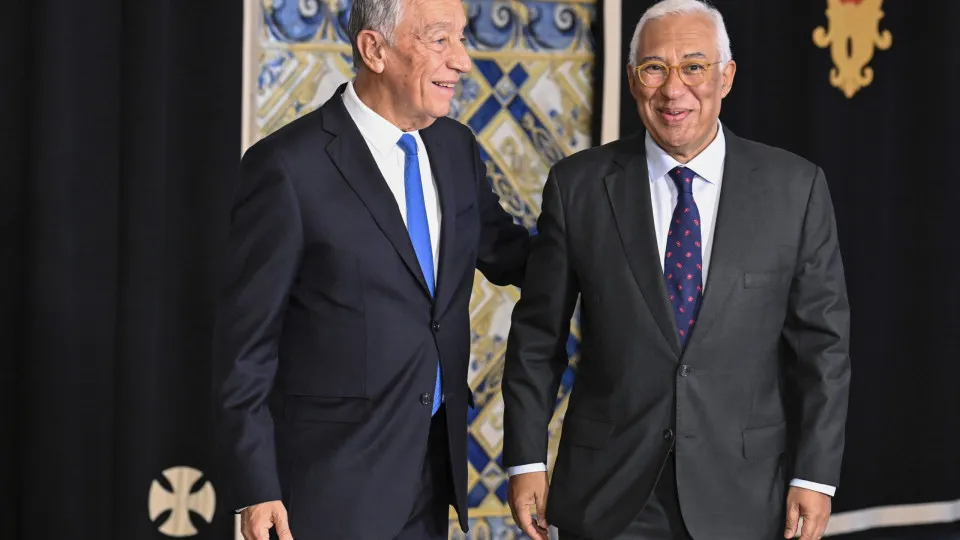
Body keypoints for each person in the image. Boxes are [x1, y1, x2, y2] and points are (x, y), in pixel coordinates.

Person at [501, 0, 851, 539]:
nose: (673, 89)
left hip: (744, 494)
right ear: (632, 79)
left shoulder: (795, 188)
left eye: (693, 67)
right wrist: (526, 460)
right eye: (654, 68)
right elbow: (536, 338)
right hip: (608, 493)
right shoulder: (577, 186)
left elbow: (822, 348)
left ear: (726, 77)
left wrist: (815, 476)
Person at [214, 0, 530, 537]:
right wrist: (256, 486)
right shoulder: (288, 167)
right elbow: (246, 347)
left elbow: (507, 251)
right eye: (440, 40)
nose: (462, 61)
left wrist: (614, 247)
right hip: (328, 483)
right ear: (374, 49)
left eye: (461, 38)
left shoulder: (455, 147)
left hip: (432, 472)